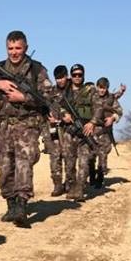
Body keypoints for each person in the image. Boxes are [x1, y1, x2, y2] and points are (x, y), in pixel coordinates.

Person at [0, 31, 55, 228]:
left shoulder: (37, 70)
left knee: (24, 163)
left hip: (27, 124)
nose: (14, 52)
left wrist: (24, 98)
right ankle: (11, 204)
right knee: (5, 166)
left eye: (18, 48)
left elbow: (48, 97)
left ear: (26, 48)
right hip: (3, 125)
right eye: (10, 48)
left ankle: (22, 205)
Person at [60, 63, 102, 201]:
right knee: (69, 162)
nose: (77, 77)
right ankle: (71, 187)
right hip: (69, 132)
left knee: (84, 161)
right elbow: (54, 105)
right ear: (70, 76)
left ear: (83, 75)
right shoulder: (64, 91)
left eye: (80, 75)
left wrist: (93, 122)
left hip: (85, 130)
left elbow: (98, 107)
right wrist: (63, 114)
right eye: (74, 75)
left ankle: (80, 188)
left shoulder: (91, 90)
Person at [91, 77, 123, 188]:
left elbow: (119, 111)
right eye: (100, 87)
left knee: (103, 154)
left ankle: (100, 178)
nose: (102, 90)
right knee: (91, 154)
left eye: (104, 88)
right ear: (97, 87)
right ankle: (91, 176)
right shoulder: (92, 96)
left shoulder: (111, 98)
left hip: (105, 130)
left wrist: (112, 118)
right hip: (92, 129)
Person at [43, 64, 70, 196]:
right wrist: (49, 118)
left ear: (67, 76)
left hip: (68, 130)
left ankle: (70, 183)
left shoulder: (73, 91)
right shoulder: (51, 93)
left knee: (69, 157)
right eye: (57, 78)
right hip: (53, 129)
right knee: (55, 158)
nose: (59, 80)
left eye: (62, 77)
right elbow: (43, 107)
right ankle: (57, 185)